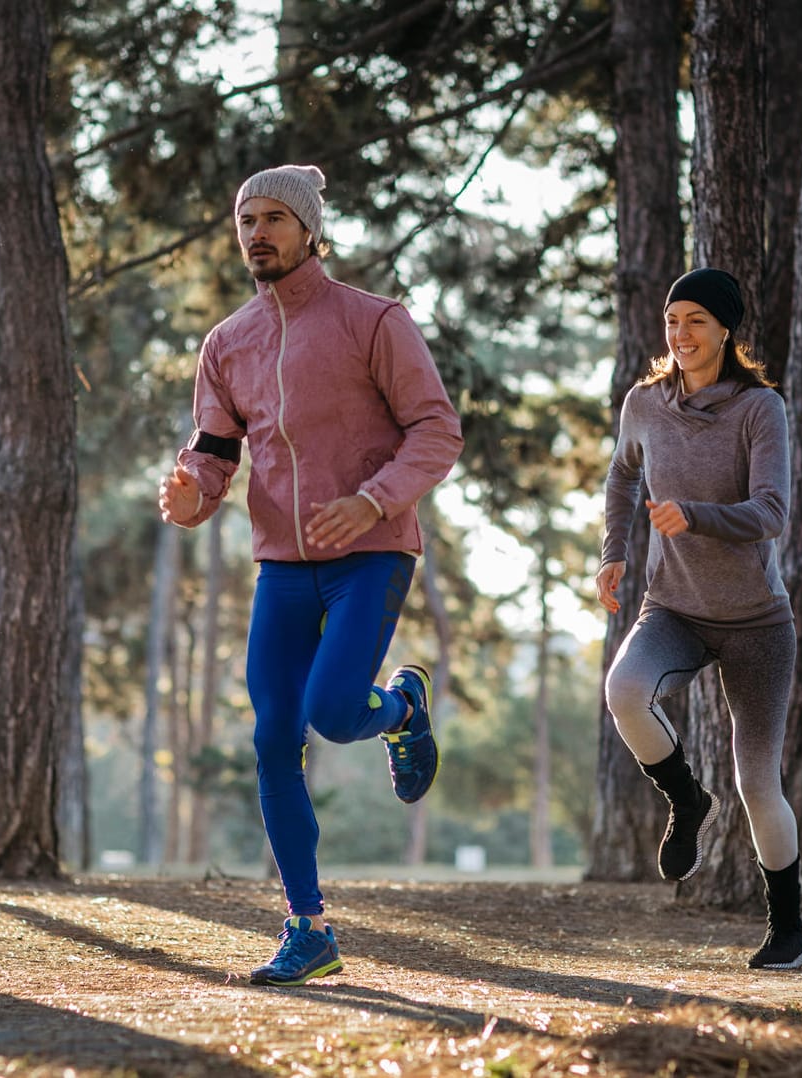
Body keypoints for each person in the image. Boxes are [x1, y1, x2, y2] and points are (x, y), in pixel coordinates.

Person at [158, 164, 463, 987]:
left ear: (307, 230)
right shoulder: (227, 343)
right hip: (283, 566)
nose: (256, 232)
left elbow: (436, 429)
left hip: (369, 550)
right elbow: (214, 457)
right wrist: (190, 497)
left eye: (272, 219)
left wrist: (372, 502)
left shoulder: (374, 321)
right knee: (272, 738)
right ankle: (308, 926)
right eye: (245, 220)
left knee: (333, 713)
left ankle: (400, 709)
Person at [595, 267, 802, 971]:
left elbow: (771, 514)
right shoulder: (644, 403)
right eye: (671, 320)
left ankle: (788, 931)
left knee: (757, 783)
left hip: (756, 623)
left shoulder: (759, 410)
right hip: (674, 608)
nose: (679, 334)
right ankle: (685, 799)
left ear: (724, 329)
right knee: (624, 691)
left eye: (694, 320)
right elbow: (623, 472)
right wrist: (614, 552)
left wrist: (694, 517)